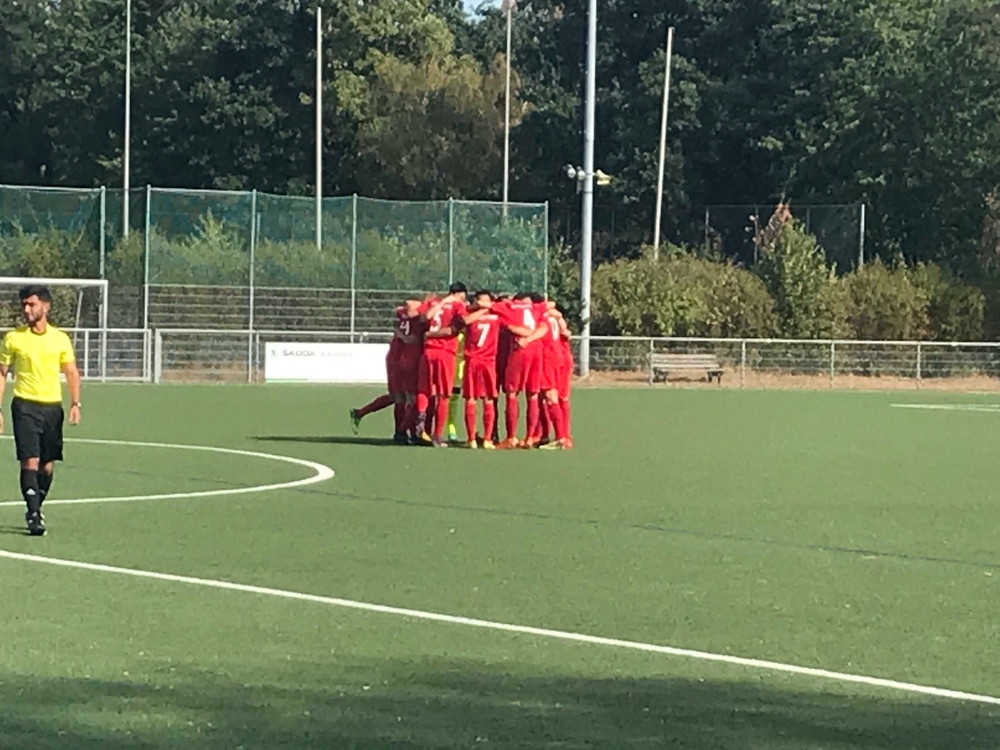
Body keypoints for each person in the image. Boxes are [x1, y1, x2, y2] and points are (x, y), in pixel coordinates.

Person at [0, 285, 81, 536]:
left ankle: (36, 504)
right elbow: (2, 373)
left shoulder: (60, 339)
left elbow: (71, 372)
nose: (27, 309)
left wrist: (75, 403)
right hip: (24, 406)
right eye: (24, 304)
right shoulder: (14, 339)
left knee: (46, 466)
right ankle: (33, 514)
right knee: (30, 460)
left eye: (32, 304)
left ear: (45, 306)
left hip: (52, 408)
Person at [350, 298, 423, 442]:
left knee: (400, 397)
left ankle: (361, 413)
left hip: (402, 357)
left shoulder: (407, 314)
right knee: (402, 397)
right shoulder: (416, 316)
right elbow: (405, 308)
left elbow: (400, 310)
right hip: (398, 358)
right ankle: (403, 432)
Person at [414, 282, 468, 446]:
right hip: (445, 352)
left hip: (428, 351)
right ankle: (437, 435)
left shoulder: (435, 302)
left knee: (423, 389)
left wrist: (442, 302)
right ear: (460, 294)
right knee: (444, 395)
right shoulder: (458, 305)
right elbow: (461, 323)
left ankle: (421, 419)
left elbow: (423, 317)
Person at [492, 292, 548, 448]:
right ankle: (529, 437)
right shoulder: (536, 307)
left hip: (519, 350)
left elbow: (511, 326)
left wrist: (525, 338)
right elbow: (544, 327)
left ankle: (511, 437)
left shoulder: (508, 307)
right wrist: (532, 335)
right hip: (537, 349)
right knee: (533, 394)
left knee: (512, 393)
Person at [460, 290, 501, 449]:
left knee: (472, 399)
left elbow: (464, 322)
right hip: (487, 362)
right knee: (487, 399)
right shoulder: (496, 316)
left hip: (473, 360)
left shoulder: (470, 315)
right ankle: (487, 439)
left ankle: (472, 439)